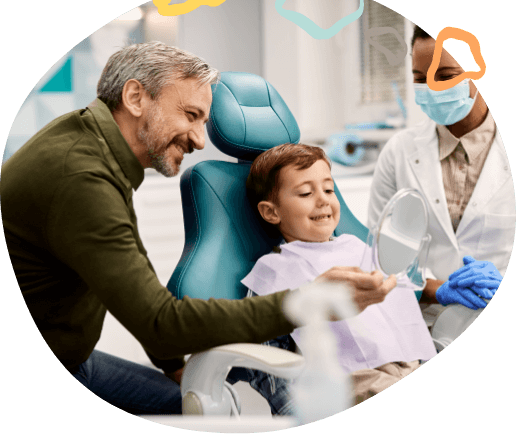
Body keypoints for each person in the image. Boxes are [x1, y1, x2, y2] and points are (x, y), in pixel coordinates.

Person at [2, 41, 396, 415]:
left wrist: (179, 371)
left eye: (204, 121)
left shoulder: (93, 145)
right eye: (190, 116)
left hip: (70, 354)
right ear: (136, 98)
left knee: (190, 405)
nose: (200, 140)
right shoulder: (82, 178)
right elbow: (159, 323)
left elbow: (135, 279)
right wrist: (307, 301)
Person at [232, 142, 436, 411]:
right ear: (271, 212)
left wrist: (438, 287)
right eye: (305, 193)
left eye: (329, 189)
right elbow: (268, 360)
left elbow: (400, 289)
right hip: (350, 380)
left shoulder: (357, 247)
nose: (324, 199)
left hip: (407, 362)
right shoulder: (273, 271)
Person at [368, 26, 513, 326]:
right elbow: (377, 258)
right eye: (420, 79)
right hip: (421, 324)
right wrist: (439, 291)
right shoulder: (399, 152)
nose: (432, 87)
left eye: (445, 75)